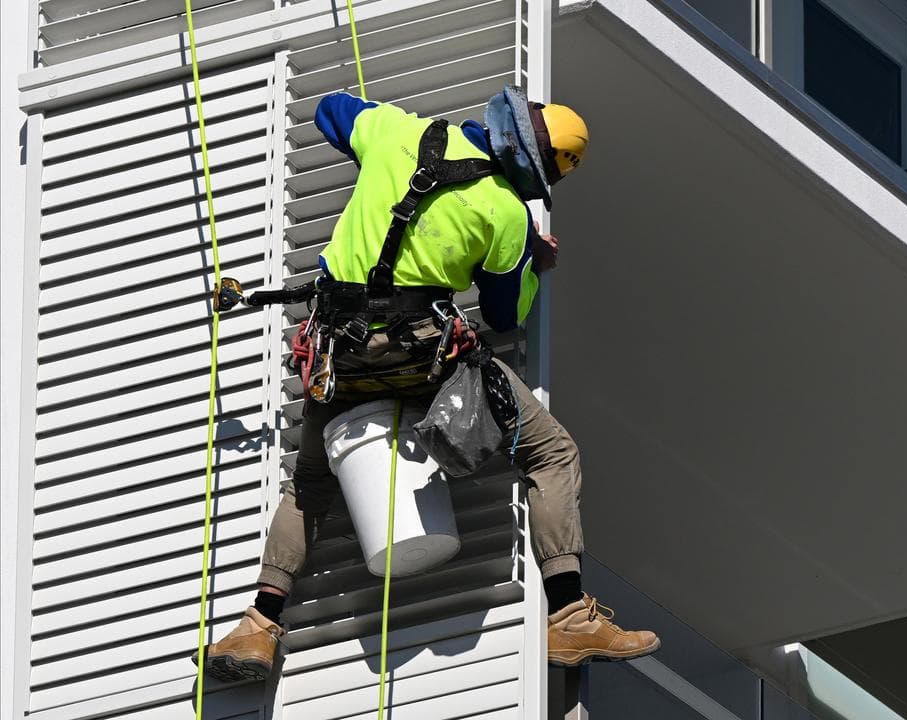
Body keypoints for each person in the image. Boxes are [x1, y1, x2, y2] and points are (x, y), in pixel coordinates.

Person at [194, 87, 659, 682]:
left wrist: (378, 144)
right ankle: (569, 616)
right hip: (423, 358)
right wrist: (533, 267)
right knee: (552, 452)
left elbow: (330, 110)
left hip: (339, 353)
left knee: (311, 482)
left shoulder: (395, 132)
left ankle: (258, 629)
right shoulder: (507, 214)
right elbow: (504, 315)